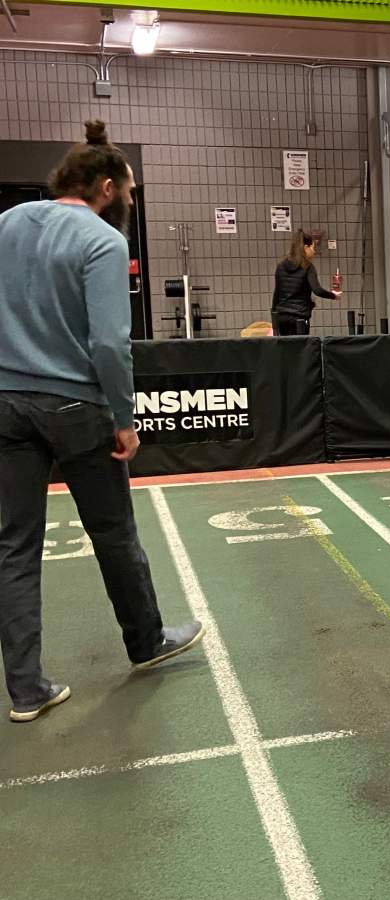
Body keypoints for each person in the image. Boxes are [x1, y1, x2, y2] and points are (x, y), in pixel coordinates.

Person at [0, 120, 205, 723]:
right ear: (107, 187)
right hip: (76, 406)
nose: (132, 201)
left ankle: (26, 689)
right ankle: (146, 640)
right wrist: (124, 417)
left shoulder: (7, 223)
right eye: (131, 190)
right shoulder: (103, 241)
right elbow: (110, 344)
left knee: (14, 546)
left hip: (6, 403)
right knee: (113, 533)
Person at [271, 229, 341, 335]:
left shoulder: (280, 266)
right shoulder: (307, 267)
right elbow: (317, 290)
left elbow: (276, 294)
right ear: (305, 247)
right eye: (312, 247)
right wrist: (333, 295)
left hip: (282, 317)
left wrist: (274, 316)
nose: (314, 251)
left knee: (286, 345)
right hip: (300, 316)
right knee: (301, 344)